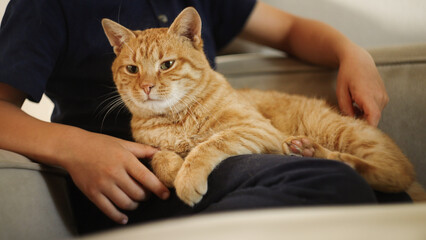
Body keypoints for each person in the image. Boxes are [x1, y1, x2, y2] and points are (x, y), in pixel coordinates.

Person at [0, 0, 404, 235]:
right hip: (126, 182)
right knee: (330, 182)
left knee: (390, 198)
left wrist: (350, 52)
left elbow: (289, 29)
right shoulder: (45, 5)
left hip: (225, 156)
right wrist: (76, 146)